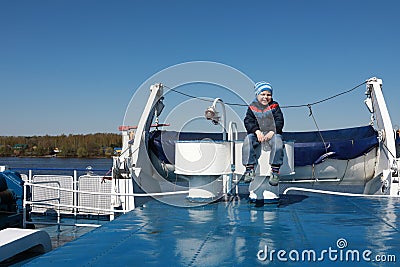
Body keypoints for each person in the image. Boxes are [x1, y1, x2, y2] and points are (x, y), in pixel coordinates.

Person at [242, 81, 284, 186]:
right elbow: (248, 121)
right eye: (263, 94)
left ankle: (275, 171)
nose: (266, 97)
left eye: (268, 94)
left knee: (278, 143)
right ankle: (249, 168)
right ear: (257, 95)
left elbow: (280, 120)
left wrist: (272, 131)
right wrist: (256, 131)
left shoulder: (275, 106)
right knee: (248, 140)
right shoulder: (252, 107)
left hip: (272, 133)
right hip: (257, 133)